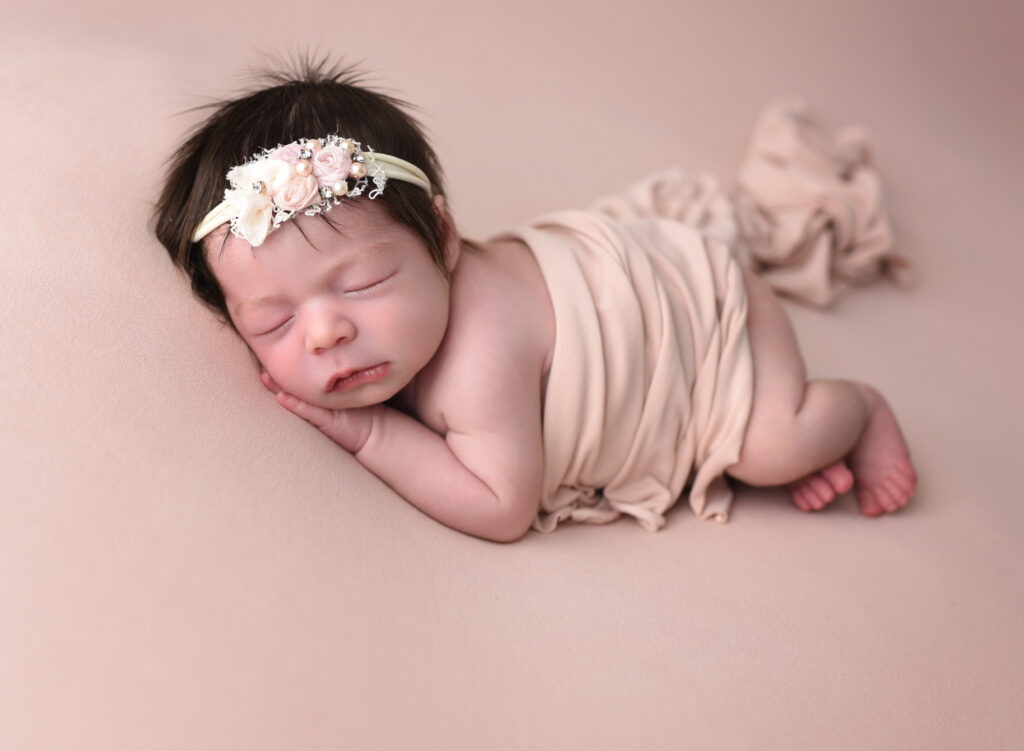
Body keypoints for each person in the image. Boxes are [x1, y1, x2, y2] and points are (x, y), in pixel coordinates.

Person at [154, 59, 917, 542]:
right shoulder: (401, 325)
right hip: (641, 295)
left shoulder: (478, 358)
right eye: (273, 321)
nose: (325, 332)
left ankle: (854, 410)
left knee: (770, 448)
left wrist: (370, 437)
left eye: (362, 284)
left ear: (445, 240)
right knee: (774, 460)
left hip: (711, 316)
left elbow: (500, 505)